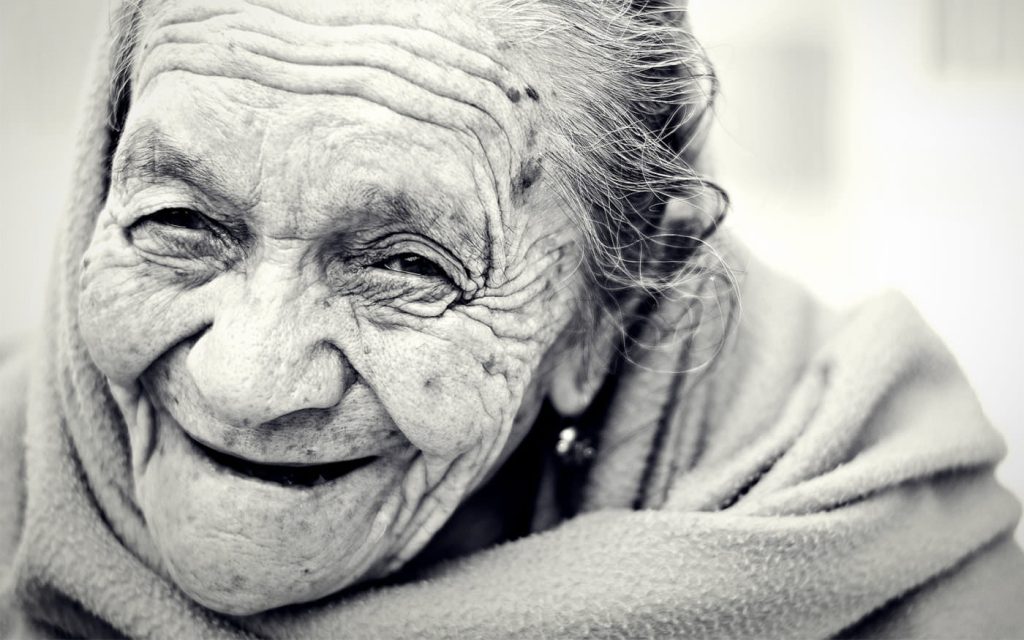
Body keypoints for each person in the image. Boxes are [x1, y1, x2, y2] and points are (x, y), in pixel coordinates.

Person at [1, 0, 1022, 637]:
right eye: (179, 222)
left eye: (404, 265)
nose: (245, 380)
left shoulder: (894, 576)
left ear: (606, 313)